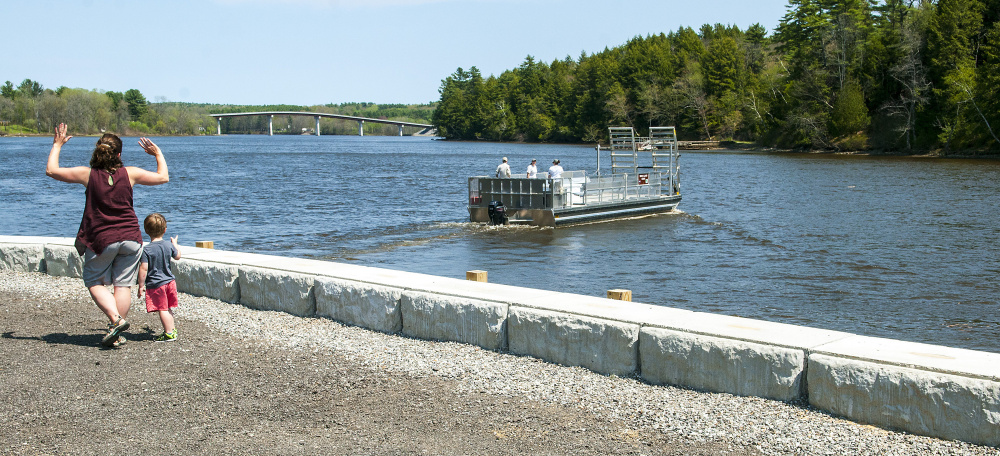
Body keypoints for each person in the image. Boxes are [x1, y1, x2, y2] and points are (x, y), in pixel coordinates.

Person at [45, 123, 169, 347]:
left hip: (102, 240)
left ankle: (116, 321)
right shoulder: (130, 173)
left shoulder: (88, 174)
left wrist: (57, 145)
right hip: (131, 238)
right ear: (119, 154)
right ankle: (117, 333)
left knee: (93, 281)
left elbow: (52, 171)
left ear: (98, 152)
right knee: (122, 285)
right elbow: (163, 177)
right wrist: (157, 153)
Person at [137, 213, 181, 342]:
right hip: (170, 282)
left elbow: (143, 268)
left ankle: (168, 333)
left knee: (162, 309)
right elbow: (178, 256)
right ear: (165, 230)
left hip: (157, 284)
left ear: (146, 230)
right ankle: (172, 330)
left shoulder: (147, 250)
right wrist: (175, 244)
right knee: (167, 307)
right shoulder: (168, 245)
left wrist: (141, 285)